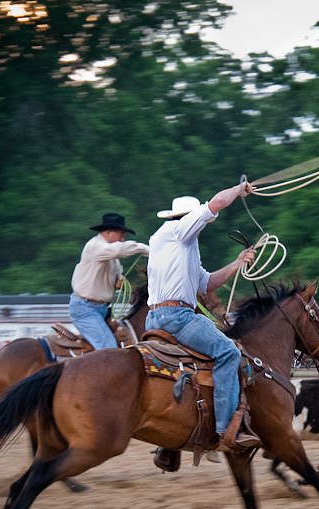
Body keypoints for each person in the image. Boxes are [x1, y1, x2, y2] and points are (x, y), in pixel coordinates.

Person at [146, 181, 258, 450]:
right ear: (188, 217)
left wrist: (237, 262)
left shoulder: (180, 245)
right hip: (177, 317)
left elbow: (206, 284)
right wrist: (239, 189)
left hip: (156, 319)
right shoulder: (178, 231)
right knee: (229, 353)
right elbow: (216, 204)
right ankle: (226, 429)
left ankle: (169, 442)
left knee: (190, 366)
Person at [70, 213, 150, 350]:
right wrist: (145, 249)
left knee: (117, 344)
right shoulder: (96, 246)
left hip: (99, 308)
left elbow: (115, 277)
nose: (122, 239)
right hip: (86, 308)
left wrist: (117, 284)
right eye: (121, 235)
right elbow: (119, 249)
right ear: (108, 232)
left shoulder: (111, 257)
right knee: (108, 347)